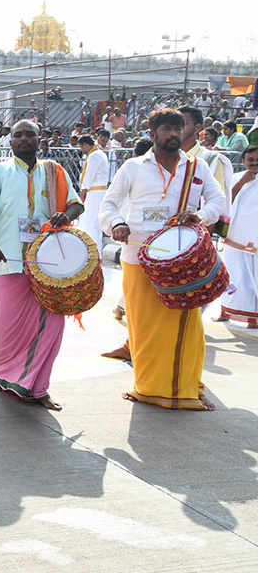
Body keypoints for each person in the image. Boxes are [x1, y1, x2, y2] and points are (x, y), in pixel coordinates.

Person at [99, 108, 226, 411]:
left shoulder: (197, 167)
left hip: (183, 264)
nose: (173, 134)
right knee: (144, 329)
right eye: (167, 128)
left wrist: (201, 215)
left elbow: (218, 200)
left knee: (188, 326)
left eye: (178, 128)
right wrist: (116, 224)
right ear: (152, 133)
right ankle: (147, 388)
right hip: (138, 257)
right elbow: (108, 204)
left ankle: (187, 389)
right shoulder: (132, 166)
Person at [0, 120, 83, 410]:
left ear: (40, 140)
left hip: (48, 263)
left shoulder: (54, 171)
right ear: (9, 142)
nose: (24, 139)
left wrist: (65, 216)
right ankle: (0, 375)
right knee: (6, 326)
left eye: (30, 134)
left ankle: (37, 387)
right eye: (17, 135)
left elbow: (76, 204)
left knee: (52, 323)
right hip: (7, 259)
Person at [215, 145, 258, 328]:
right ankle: (226, 311)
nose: (255, 164)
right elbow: (224, 203)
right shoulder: (234, 178)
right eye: (251, 160)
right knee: (231, 276)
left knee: (251, 277)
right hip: (232, 236)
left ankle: (252, 317)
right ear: (243, 161)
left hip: (253, 238)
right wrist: (241, 183)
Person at [77, 134, 109, 252]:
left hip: (94, 191)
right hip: (97, 191)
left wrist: (83, 190)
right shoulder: (99, 153)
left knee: (91, 223)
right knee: (89, 222)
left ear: (85, 145)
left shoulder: (94, 156)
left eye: (81, 147)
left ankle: (93, 252)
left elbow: (89, 176)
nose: (81, 150)